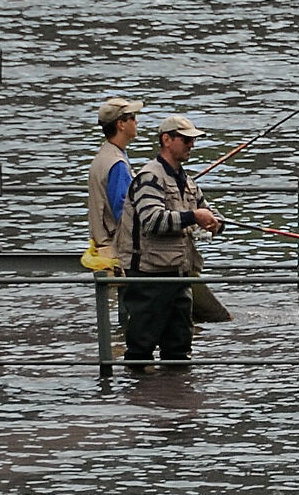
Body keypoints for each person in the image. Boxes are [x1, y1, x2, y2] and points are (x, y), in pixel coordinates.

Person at [114, 113, 223, 367]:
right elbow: (152, 221)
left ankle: (176, 388)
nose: (191, 145)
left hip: (179, 274)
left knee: (180, 345)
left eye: (193, 140)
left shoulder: (188, 182)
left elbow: (208, 211)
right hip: (149, 275)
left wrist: (216, 224)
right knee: (141, 346)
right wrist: (193, 217)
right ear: (166, 140)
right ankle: (138, 389)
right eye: (185, 140)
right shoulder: (149, 178)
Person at [83, 97, 144, 273]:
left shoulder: (105, 155)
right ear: (121, 124)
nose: (137, 121)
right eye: (132, 117)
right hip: (116, 253)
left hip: (104, 248)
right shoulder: (117, 164)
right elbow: (124, 214)